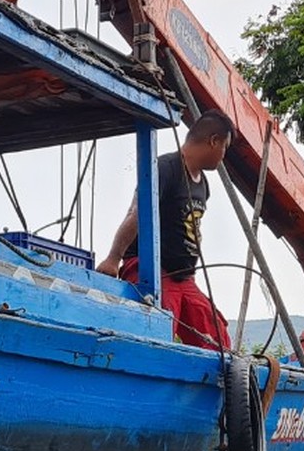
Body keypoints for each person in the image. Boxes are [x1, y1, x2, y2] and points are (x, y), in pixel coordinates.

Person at [95, 111, 234, 351]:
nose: (223, 155)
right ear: (214, 141)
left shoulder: (203, 184)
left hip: (185, 277)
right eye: (225, 147)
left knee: (217, 340)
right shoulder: (166, 168)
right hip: (154, 269)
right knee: (158, 329)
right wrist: (113, 258)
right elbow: (137, 212)